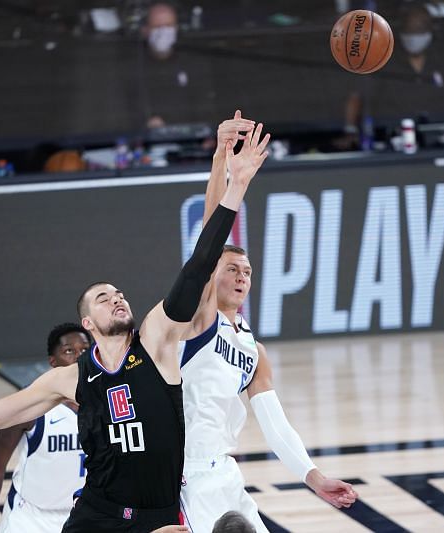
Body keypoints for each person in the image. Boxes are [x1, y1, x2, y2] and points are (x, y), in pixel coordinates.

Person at [0, 120, 271, 533]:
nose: (116, 298)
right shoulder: (70, 378)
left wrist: (231, 180)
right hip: (98, 515)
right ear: (88, 323)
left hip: (157, 518)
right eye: (103, 297)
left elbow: (200, 264)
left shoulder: (156, 341)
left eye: (119, 293)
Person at [177, 111, 357, 533]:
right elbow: (209, 236)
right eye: (232, 269)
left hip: (225, 471)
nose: (242, 276)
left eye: (248, 272)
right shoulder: (197, 320)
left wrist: (313, 477)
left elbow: (274, 424)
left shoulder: (252, 350)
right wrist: (222, 158)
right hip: (183, 474)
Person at [0, 323, 90, 533]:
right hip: (31, 518)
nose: (79, 356)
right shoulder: (28, 405)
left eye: (84, 349)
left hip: (85, 515)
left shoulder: (109, 402)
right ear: (53, 362)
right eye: (69, 350)